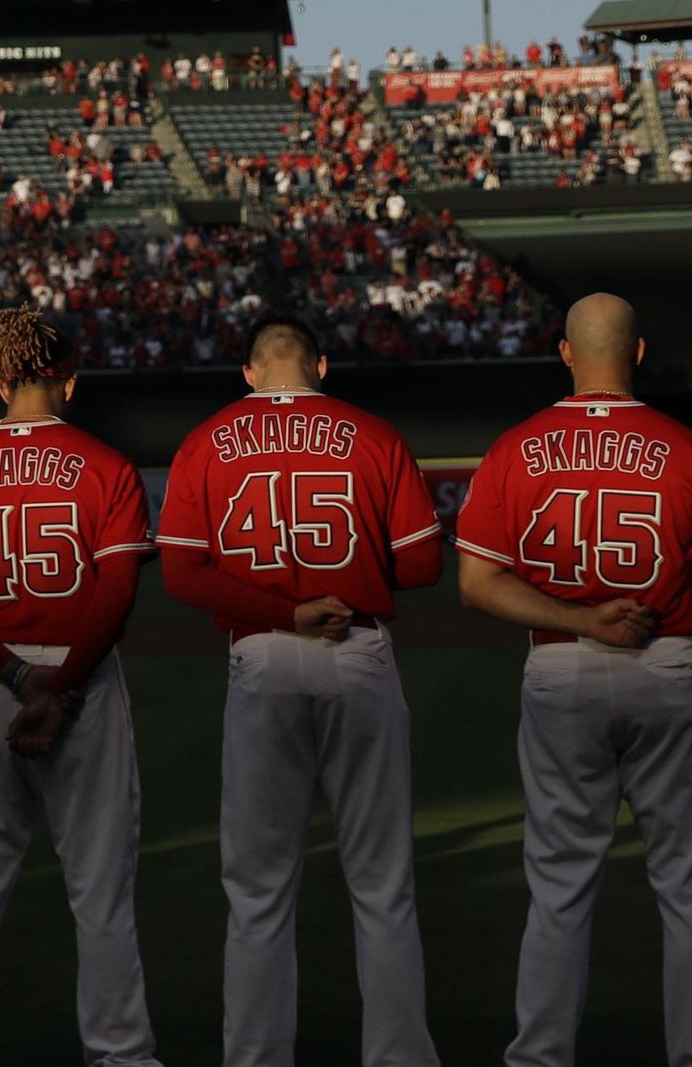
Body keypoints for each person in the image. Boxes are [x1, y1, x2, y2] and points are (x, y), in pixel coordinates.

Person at [453, 293, 692, 1067]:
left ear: (564, 353)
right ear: (640, 352)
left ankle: (541, 1056)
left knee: (558, 886)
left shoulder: (514, 448)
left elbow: (477, 583)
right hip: (668, 662)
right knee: (688, 890)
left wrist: (582, 618)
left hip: (560, 666)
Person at [155, 314, 445, 1067]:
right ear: (322, 363)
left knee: (256, 889)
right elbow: (420, 567)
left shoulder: (205, 439)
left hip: (261, 658)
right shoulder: (372, 434)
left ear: (249, 373)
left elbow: (183, 572)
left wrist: (282, 607)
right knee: (381, 884)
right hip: (357, 651)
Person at [0, 307, 161, 1067]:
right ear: (69, 379)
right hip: (82, 680)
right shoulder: (107, 465)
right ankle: (121, 1055)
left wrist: (18, 676)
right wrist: (62, 683)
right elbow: (115, 591)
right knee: (101, 891)